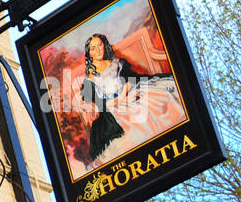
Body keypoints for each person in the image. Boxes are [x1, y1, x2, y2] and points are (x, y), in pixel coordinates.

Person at [76, 33, 183, 167]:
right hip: (115, 108)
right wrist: (121, 98)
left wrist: (129, 89)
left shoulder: (117, 63)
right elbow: (100, 105)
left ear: (104, 46)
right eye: (93, 48)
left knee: (161, 96)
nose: (97, 50)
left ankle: (173, 134)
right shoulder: (89, 81)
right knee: (137, 117)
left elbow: (132, 79)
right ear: (89, 53)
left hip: (132, 93)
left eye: (100, 45)